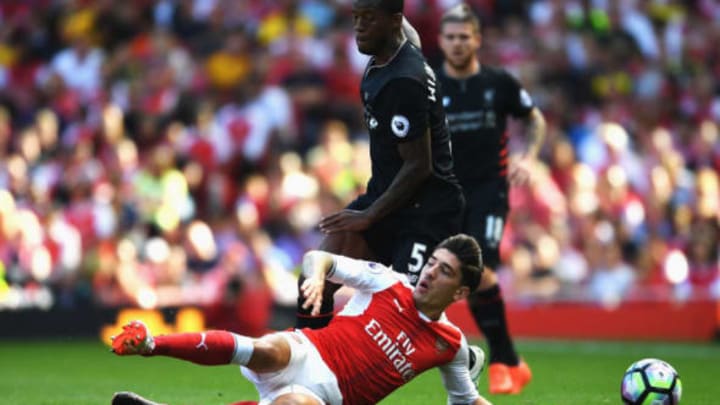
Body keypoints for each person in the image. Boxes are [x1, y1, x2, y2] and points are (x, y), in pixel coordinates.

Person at [111, 234, 492, 405]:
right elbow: (318, 258)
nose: (428, 273)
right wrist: (313, 275)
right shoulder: (388, 283)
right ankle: (150, 343)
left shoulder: (451, 345)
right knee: (268, 348)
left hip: (325, 396)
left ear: (460, 293)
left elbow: (466, 399)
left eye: (444, 272)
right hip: (308, 352)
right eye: (432, 263)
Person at [295, 0, 465, 331]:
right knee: (313, 279)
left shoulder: (403, 80)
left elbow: (419, 165)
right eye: (356, 17)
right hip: (388, 195)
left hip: (426, 210)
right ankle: (306, 368)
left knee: (401, 318)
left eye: (369, 19)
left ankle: (461, 356)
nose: (358, 26)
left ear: (394, 22)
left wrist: (369, 215)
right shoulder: (396, 51)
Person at [434, 3, 547, 395]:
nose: (458, 43)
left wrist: (528, 156)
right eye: (451, 37)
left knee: (481, 269)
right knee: (455, 277)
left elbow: (534, 118)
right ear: (440, 41)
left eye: (465, 36)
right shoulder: (431, 86)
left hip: (489, 191)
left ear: (477, 39)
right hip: (445, 194)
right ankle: (512, 361)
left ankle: (501, 361)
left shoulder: (499, 83)